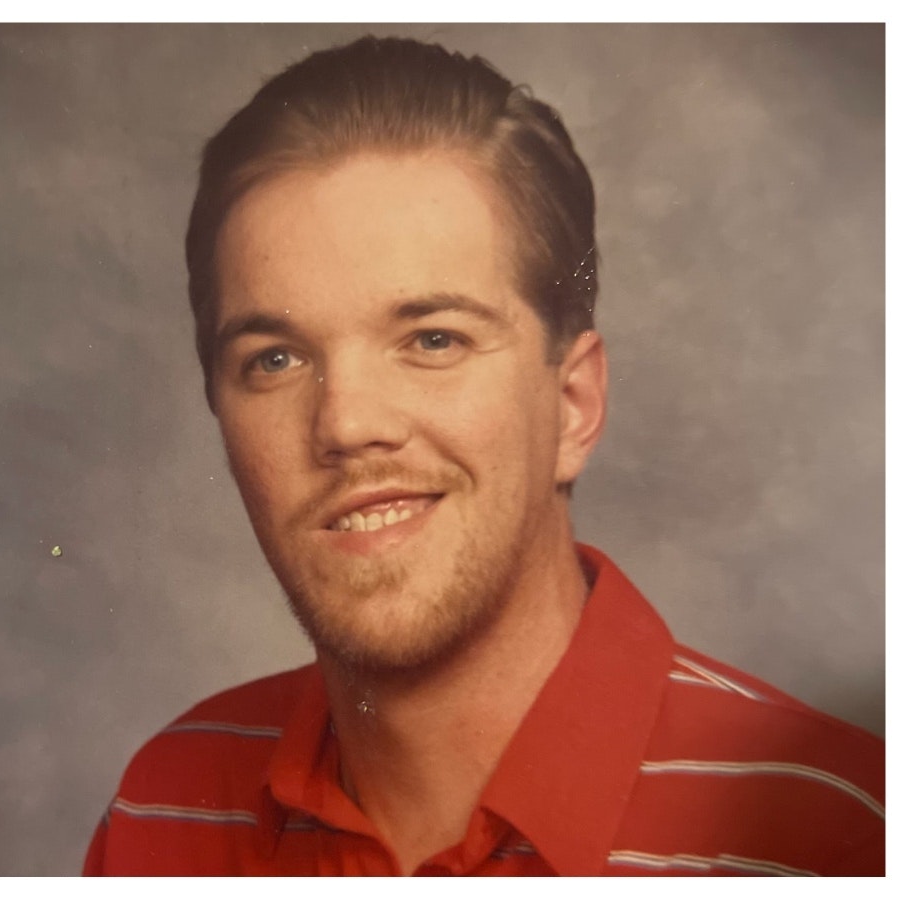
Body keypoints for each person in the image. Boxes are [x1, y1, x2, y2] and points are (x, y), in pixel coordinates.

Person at [84, 35, 884, 877]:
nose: (346, 423)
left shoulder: (837, 831)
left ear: (573, 405)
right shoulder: (164, 805)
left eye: (433, 338)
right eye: (274, 359)